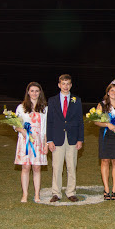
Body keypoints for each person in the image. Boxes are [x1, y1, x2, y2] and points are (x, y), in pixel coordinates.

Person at [47, 74, 84, 202]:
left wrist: (80, 139)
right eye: (63, 83)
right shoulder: (52, 100)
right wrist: (49, 140)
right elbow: (50, 121)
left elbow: (80, 121)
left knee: (71, 166)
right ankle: (56, 193)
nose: (66, 86)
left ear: (71, 85)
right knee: (57, 167)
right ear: (59, 85)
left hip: (72, 138)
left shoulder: (76, 100)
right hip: (57, 138)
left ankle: (71, 192)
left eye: (68, 83)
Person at [95, 80, 115, 200]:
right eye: (112, 90)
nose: (114, 92)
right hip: (105, 135)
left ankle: (114, 189)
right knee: (105, 161)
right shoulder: (101, 105)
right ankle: (106, 189)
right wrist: (107, 125)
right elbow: (96, 121)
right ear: (108, 92)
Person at [14, 82, 48, 203]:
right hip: (25, 141)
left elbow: (44, 128)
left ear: (40, 93)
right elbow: (15, 125)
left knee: (37, 167)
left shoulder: (44, 108)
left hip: (38, 141)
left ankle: (37, 195)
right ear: (28, 92)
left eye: (37, 91)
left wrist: (46, 144)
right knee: (26, 167)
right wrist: (22, 131)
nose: (34, 93)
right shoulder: (21, 107)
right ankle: (25, 194)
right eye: (32, 91)